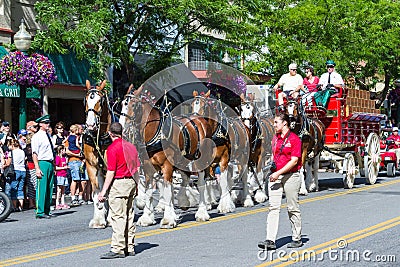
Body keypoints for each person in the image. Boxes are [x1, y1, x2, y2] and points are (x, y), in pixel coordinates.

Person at [258, 113, 303, 250]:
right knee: (273, 207)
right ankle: (270, 240)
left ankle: (296, 237)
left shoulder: (295, 139)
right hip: (275, 175)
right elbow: (274, 154)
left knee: (292, 207)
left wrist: (278, 173)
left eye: (276, 122)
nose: (274, 124)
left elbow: (294, 161)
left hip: (291, 176)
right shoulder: (275, 139)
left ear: (285, 123)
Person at [98, 122, 140, 259]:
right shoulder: (131, 147)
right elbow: (137, 169)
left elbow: (111, 172)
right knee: (129, 215)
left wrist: (103, 191)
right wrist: (137, 185)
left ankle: (118, 248)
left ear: (110, 133)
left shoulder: (112, 148)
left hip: (119, 182)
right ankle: (130, 246)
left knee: (118, 216)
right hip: (131, 182)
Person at [31, 114, 55, 219]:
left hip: (50, 162)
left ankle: (47, 210)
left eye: (48, 123)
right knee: (42, 188)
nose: (48, 124)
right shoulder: (37, 136)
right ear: (40, 124)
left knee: (49, 188)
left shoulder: (48, 135)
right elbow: (34, 153)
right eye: (45, 123)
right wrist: (37, 167)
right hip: (42, 162)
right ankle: (40, 211)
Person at [66, 124, 86, 206]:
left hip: (81, 161)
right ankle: (73, 197)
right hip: (74, 160)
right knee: (75, 179)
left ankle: (80, 197)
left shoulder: (72, 137)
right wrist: (79, 153)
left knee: (83, 180)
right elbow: (67, 150)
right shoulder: (74, 138)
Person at [4, 139, 27, 212]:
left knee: (14, 188)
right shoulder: (22, 151)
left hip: (15, 171)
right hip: (23, 170)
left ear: (12, 145)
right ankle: (21, 206)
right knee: (20, 189)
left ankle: (14, 206)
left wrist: (3, 166)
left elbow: (8, 163)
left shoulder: (12, 153)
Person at [55, 145, 70, 210]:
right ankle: (57, 203)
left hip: (64, 175)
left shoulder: (64, 158)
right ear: (60, 150)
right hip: (59, 175)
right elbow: (56, 167)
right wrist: (63, 167)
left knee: (63, 190)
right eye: (64, 150)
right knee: (59, 190)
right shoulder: (57, 158)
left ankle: (63, 203)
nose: (65, 151)